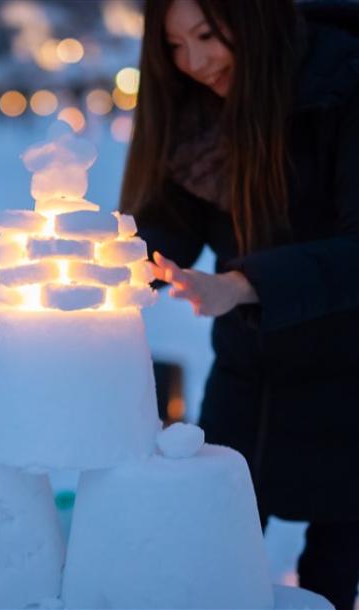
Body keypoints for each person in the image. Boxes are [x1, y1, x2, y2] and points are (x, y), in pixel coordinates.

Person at [119, 1, 359, 608]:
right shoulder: (205, 112)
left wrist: (242, 284)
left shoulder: (344, 82)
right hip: (248, 376)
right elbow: (172, 224)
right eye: (174, 45)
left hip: (348, 378)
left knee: (332, 572)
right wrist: (113, 272)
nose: (193, 62)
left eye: (205, 35)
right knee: (216, 552)